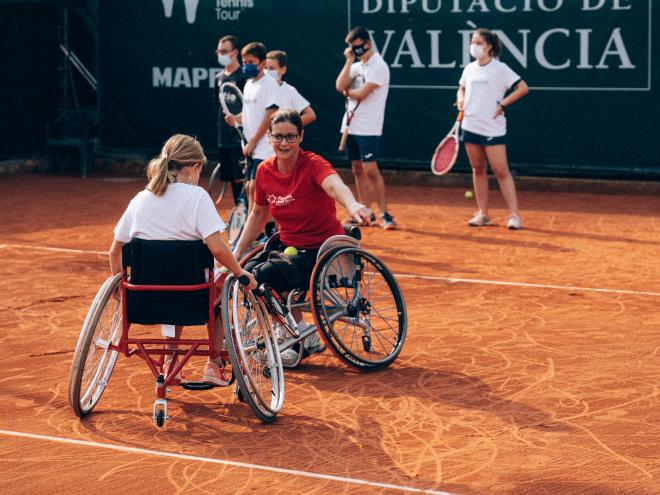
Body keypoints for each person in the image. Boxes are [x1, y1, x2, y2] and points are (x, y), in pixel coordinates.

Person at [108, 134, 257, 386]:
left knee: (168, 280)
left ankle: (171, 361)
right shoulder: (197, 197)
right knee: (222, 286)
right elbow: (218, 249)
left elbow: (114, 251)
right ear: (194, 167)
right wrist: (240, 273)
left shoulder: (140, 199)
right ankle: (214, 362)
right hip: (193, 298)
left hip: (143, 299)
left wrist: (118, 288)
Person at [233, 109, 373, 367]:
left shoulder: (313, 164)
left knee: (263, 275)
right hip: (289, 248)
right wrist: (237, 253)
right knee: (247, 272)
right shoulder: (264, 171)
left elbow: (334, 185)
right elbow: (258, 214)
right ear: (269, 138)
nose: (284, 143)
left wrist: (352, 205)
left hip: (322, 251)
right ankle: (298, 331)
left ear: (300, 137)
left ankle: (294, 334)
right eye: (278, 137)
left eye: (290, 137)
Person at [456, 28, 529, 230]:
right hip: (470, 125)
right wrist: (460, 98)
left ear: (488, 46)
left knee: (501, 171)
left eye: (478, 43)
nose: (474, 46)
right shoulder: (469, 68)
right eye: (473, 42)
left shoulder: (500, 68)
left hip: (492, 128)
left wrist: (503, 104)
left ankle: (514, 216)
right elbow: (461, 87)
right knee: (477, 169)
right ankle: (483, 214)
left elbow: (523, 88)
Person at [335, 26, 396, 230]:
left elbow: (361, 94)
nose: (354, 50)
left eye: (357, 47)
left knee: (371, 169)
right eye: (351, 47)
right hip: (351, 125)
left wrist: (347, 92)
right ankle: (365, 213)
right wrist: (348, 60)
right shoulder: (356, 65)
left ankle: (385, 214)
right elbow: (339, 85)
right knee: (357, 169)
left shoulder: (379, 65)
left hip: (369, 126)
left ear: (367, 44)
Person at [224, 42, 282, 215]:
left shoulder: (269, 85)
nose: (247, 65)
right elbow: (249, 114)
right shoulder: (248, 84)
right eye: (245, 61)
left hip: (265, 148)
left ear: (263, 63)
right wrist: (236, 119)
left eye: (251, 62)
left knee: (256, 188)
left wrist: (253, 143)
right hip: (252, 148)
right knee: (251, 188)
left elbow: (269, 117)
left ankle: (268, 229)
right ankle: (259, 230)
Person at [214, 34, 247, 206]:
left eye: (224, 51)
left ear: (235, 52)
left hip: (240, 139)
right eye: (218, 51)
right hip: (224, 139)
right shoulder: (219, 78)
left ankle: (248, 221)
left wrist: (238, 121)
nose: (221, 54)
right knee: (232, 179)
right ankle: (239, 217)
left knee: (241, 181)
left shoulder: (244, 77)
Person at [264, 50, 317, 126]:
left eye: (272, 68)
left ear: (283, 70)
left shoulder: (289, 91)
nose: (267, 71)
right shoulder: (257, 88)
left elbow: (310, 115)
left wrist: (287, 127)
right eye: (265, 68)